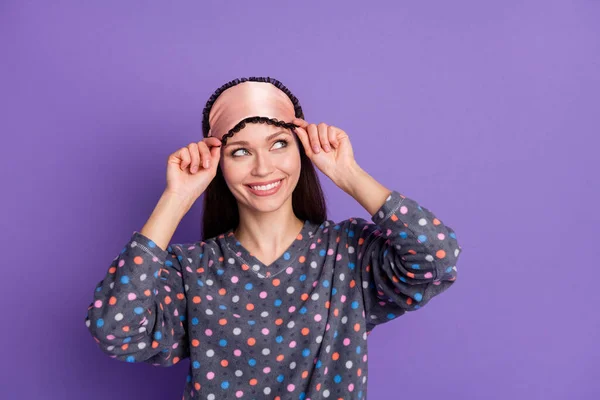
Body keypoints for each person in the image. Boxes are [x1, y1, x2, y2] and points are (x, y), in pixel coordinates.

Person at [85, 76, 462, 400]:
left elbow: (437, 257)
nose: (263, 167)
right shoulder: (191, 270)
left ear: (301, 148)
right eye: (240, 152)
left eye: (279, 143)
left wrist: (347, 173)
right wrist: (177, 198)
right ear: (219, 165)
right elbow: (114, 330)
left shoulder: (348, 253)